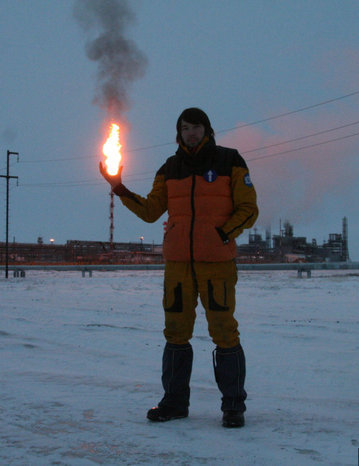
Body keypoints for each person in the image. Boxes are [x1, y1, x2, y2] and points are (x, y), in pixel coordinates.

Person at [99, 107, 259, 428]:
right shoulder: (169, 168)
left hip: (217, 265)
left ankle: (233, 406)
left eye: (196, 127)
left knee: (224, 332)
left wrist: (222, 234)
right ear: (179, 133)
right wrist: (118, 187)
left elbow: (248, 208)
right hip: (177, 267)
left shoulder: (230, 161)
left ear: (207, 129)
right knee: (175, 333)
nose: (191, 133)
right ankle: (174, 403)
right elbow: (151, 211)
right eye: (185, 128)